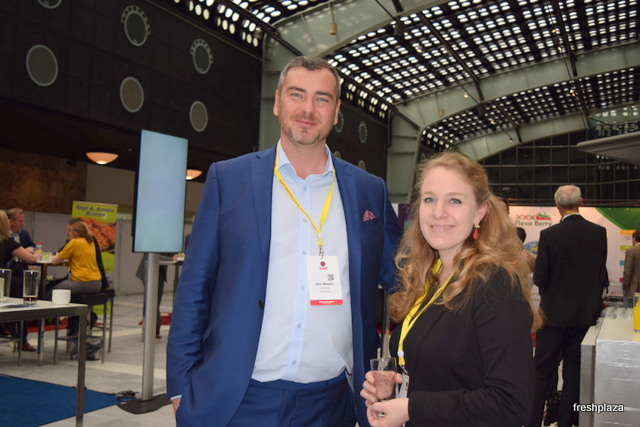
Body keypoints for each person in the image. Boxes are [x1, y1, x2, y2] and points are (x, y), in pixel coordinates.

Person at [166, 56, 402, 427]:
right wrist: (180, 387)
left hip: (331, 403)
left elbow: (405, 281)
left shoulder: (368, 191)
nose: (308, 109)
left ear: (336, 111)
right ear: (277, 102)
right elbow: (194, 288)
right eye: (297, 94)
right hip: (237, 399)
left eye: (322, 99)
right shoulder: (229, 179)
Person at [360, 151, 538, 426]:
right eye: (429, 199)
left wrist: (412, 408)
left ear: (479, 212)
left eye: (455, 200)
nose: (438, 212)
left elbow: (511, 403)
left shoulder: (494, 283)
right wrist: (395, 387)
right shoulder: (429, 275)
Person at [527, 185, 607, 427]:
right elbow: (599, 276)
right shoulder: (599, 233)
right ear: (581, 202)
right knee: (574, 373)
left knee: (541, 371)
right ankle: (566, 422)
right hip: (584, 317)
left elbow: (540, 277)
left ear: (557, 205)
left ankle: (532, 422)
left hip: (552, 316)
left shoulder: (549, 235)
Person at [49, 221, 103, 335]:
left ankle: (51, 318)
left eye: (70, 231)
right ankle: (82, 318)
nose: (67, 233)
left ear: (75, 232)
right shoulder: (90, 242)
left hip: (83, 282)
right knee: (70, 294)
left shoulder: (74, 242)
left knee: (51, 291)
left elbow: (55, 260)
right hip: (97, 283)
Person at [0, 210, 39, 351]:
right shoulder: (7, 241)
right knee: (24, 287)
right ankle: (19, 334)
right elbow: (31, 258)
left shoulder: (21, 236)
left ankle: (7, 326)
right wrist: (33, 253)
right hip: (3, 281)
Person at [622, 230, 640, 308]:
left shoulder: (631, 251)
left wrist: (625, 287)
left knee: (629, 313)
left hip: (633, 290)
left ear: (634, 239)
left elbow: (627, 272)